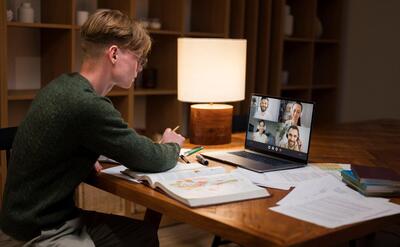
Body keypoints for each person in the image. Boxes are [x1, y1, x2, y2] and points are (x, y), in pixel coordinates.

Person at [0, 10, 184, 247]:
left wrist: (84, 155)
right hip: (39, 230)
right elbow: (149, 158)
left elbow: (58, 144)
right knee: (141, 237)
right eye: (139, 58)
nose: (140, 68)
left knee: (143, 234)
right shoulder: (87, 104)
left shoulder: (63, 86)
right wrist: (171, 145)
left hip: (22, 220)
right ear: (114, 54)